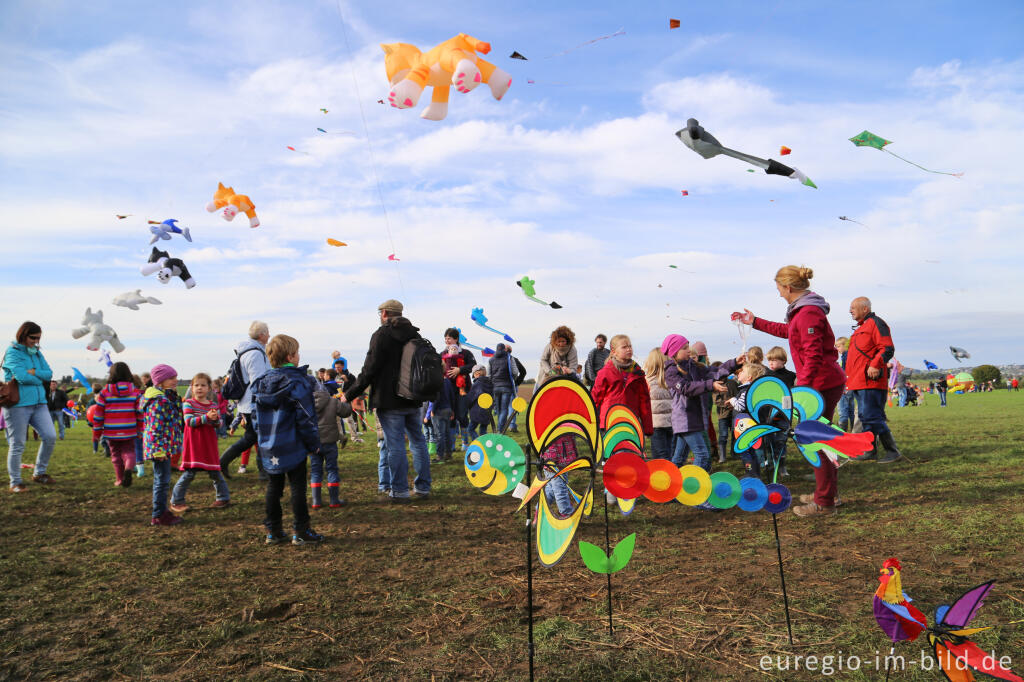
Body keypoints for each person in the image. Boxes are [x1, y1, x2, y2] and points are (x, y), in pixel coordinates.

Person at [732, 266, 847, 517]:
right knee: (820, 437)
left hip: (821, 384)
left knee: (816, 440)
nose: (780, 295)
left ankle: (825, 501)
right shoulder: (802, 311)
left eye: (779, 290)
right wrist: (755, 322)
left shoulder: (807, 313)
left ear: (788, 288)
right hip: (822, 381)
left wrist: (803, 390)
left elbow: (813, 355)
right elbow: (788, 332)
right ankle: (827, 493)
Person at [343, 300, 430, 502]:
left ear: (383, 313)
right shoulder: (415, 335)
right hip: (413, 398)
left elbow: (369, 370)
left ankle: (399, 491)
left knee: (395, 445)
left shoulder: (381, 335)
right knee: (418, 442)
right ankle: (423, 488)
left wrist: (349, 394)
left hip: (389, 400)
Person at [251, 334, 323, 545]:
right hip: (294, 445)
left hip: (269, 447)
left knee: (274, 487)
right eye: (297, 352)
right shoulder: (298, 382)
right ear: (291, 356)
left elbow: (255, 417)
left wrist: (262, 440)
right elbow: (305, 417)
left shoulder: (261, 383)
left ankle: (273, 531)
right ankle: (301, 530)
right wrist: (313, 444)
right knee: (297, 487)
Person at [662, 334, 742, 486]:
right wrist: (709, 385)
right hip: (685, 420)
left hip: (695, 419)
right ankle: (695, 490)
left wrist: (734, 363)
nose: (689, 350)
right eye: (684, 348)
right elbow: (686, 388)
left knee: (678, 459)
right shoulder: (671, 372)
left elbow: (715, 371)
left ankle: (670, 489)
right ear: (674, 352)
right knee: (703, 456)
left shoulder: (695, 367)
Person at [2, 321, 56, 492]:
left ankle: (39, 473)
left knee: (50, 436)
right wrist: (37, 377)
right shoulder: (13, 353)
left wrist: (34, 373)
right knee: (17, 444)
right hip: (18, 404)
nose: (36, 341)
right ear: (23, 335)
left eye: (39, 338)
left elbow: (49, 373)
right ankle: (15, 482)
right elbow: (22, 377)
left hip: (39, 403)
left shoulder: (37, 353)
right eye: (33, 337)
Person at [846, 297, 902, 464]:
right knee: (865, 416)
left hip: (870, 381)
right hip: (858, 381)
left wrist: (876, 364)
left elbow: (887, 348)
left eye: (853, 307)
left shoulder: (876, 323)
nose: (850, 311)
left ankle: (893, 451)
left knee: (872, 416)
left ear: (865, 309)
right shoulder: (861, 328)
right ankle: (870, 451)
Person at [170, 373, 230, 512]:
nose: (199, 388)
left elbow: (219, 424)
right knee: (189, 474)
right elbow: (189, 422)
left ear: (209, 388)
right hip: (194, 446)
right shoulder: (188, 403)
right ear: (191, 387)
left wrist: (215, 420)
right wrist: (206, 417)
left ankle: (223, 498)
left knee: (215, 472)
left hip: (208, 445)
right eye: (196, 385)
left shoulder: (213, 405)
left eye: (203, 385)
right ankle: (176, 501)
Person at [219, 321, 271, 478]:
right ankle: (263, 472)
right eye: (268, 332)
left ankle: (224, 462)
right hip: (254, 404)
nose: (269, 335)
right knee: (258, 437)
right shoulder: (255, 353)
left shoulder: (248, 351)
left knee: (252, 437)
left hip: (247, 403)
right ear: (261, 335)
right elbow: (259, 381)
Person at [140, 364, 184, 526]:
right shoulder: (157, 401)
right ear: (160, 381)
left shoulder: (166, 397)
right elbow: (154, 427)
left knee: (163, 479)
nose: (175, 380)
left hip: (163, 446)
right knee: (162, 480)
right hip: (159, 448)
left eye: (175, 377)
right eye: (171, 378)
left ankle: (161, 511)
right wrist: (158, 450)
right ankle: (158, 515)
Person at [92, 362, 143, 488]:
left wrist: (96, 432)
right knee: (129, 451)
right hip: (129, 429)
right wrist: (140, 430)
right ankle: (129, 468)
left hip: (111, 431)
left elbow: (98, 415)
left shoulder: (104, 393)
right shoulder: (136, 392)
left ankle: (120, 479)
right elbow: (140, 413)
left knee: (115, 455)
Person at [591, 335, 653, 437]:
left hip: (631, 421)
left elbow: (644, 401)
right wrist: (590, 422)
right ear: (614, 351)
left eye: (630, 346)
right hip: (609, 422)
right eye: (624, 347)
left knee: (630, 452)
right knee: (611, 452)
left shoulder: (638, 373)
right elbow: (595, 397)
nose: (628, 349)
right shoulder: (605, 372)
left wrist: (648, 428)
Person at [311, 381, 352, 509]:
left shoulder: (306, 403)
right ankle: (334, 500)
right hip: (330, 442)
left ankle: (316, 501)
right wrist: (346, 400)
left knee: (315, 472)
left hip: (314, 443)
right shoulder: (332, 401)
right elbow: (346, 412)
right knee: (332, 469)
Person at [729, 362, 767, 477]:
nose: (739, 372)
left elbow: (740, 406)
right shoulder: (749, 390)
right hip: (748, 428)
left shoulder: (746, 391)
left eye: (743, 371)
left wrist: (732, 400)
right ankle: (755, 474)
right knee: (752, 452)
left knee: (746, 453)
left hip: (745, 429)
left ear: (749, 377)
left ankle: (750, 473)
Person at [441, 328, 476, 451]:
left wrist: (459, 370)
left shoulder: (466, 353)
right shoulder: (442, 354)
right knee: (450, 417)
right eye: (445, 338)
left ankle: (465, 443)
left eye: (449, 338)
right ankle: (451, 445)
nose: (447, 341)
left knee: (462, 416)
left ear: (456, 339)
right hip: (447, 391)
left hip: (462, 390)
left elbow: (473, 366)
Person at [643, 348, 673, 460]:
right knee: (670, 453)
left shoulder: (646, 381)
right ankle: (672, 474)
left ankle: (662, 475)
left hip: (655, 425)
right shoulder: (672, 379)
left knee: (660, 455)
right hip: (672, 422)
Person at [711, 363, 738, 464]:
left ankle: (735, 453)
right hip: (722, 415)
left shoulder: (733, 383)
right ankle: (722, 456)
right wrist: (727, 404)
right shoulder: (715, 385)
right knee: (723, 435)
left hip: (734, 413)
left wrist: (734, 404)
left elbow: (738, 395)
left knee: (735, 434)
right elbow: (716, 400)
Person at [489, 343, 518, 431]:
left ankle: (500, 428)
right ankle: (500, 429)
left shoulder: (491, 359)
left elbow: (488, 374)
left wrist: (492, 382)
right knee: (504, 409)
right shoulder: (509, 358)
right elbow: (515, 372)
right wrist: (513, 378)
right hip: (506, 387)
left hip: (495, 387)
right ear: (504, 349)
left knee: (498, 409)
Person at [466, 365, 493, 441]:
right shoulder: (490, 383)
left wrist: (467, 405)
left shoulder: (477, 384)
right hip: (487, 411)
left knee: (470, 429)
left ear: (476, 374)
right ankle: (486, 444)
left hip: (477, 411)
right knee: (483, 430)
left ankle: (479, 443)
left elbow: (471, 398)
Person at [835, 337, 855, 431]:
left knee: (843, 411)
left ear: (844, 345)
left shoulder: (845, 356)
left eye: (838, 346)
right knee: (851, 411)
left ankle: (842, 433)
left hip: (845, 386)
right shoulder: (851, 355)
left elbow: (846, 372)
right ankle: (855, 431)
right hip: (851, 386)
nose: (837, 349)